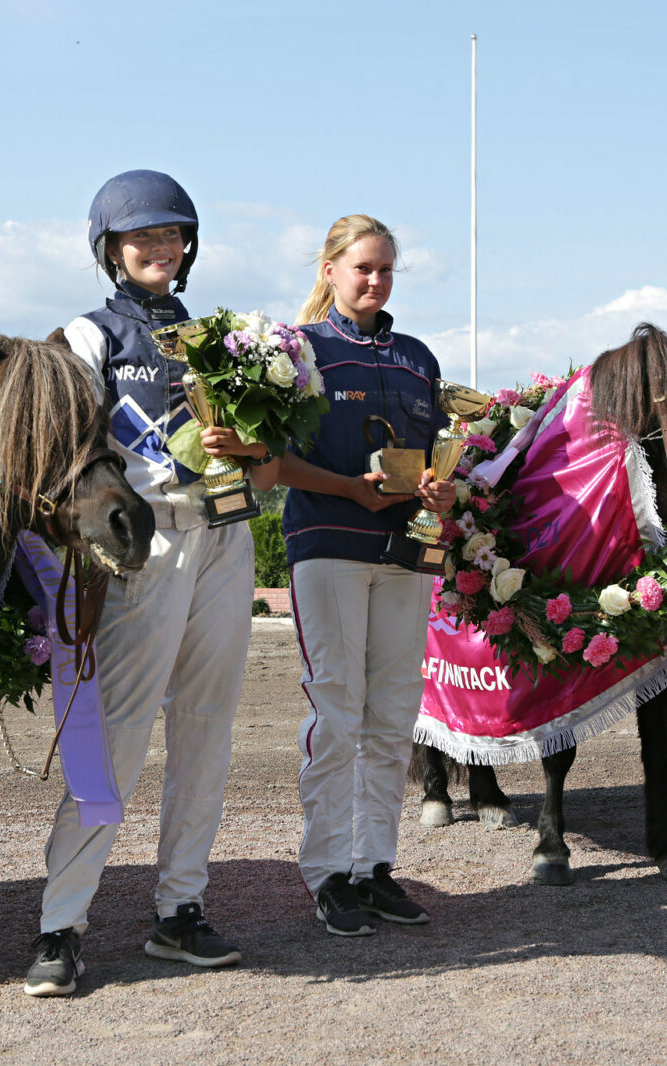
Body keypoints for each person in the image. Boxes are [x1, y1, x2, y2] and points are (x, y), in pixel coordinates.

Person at [23, 170, 278, 997]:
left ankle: (181, 910)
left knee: (206, 731)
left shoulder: (220, 339)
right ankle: (61, 926)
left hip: (224, 537)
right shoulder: (88, 335)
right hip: (148, 542)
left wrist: (248, 450)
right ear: (111, 249)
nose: (160, 248)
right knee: (122, 735)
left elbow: (262, 453)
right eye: (143, 238)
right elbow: (67, 446)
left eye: (172, 236)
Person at [277, 214, 456, 936]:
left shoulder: (417, 358)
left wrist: (445, 489)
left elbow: (441, 454)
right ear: (331, 271)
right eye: (363, 268)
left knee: (392, 716)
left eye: (385, 269)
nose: (376, 280)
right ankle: (327, 873)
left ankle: (374, 866)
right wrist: (349, 487)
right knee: (338, 711)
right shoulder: (298, 352)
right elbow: (270, 463)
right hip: (329, 543)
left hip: (404, 554)